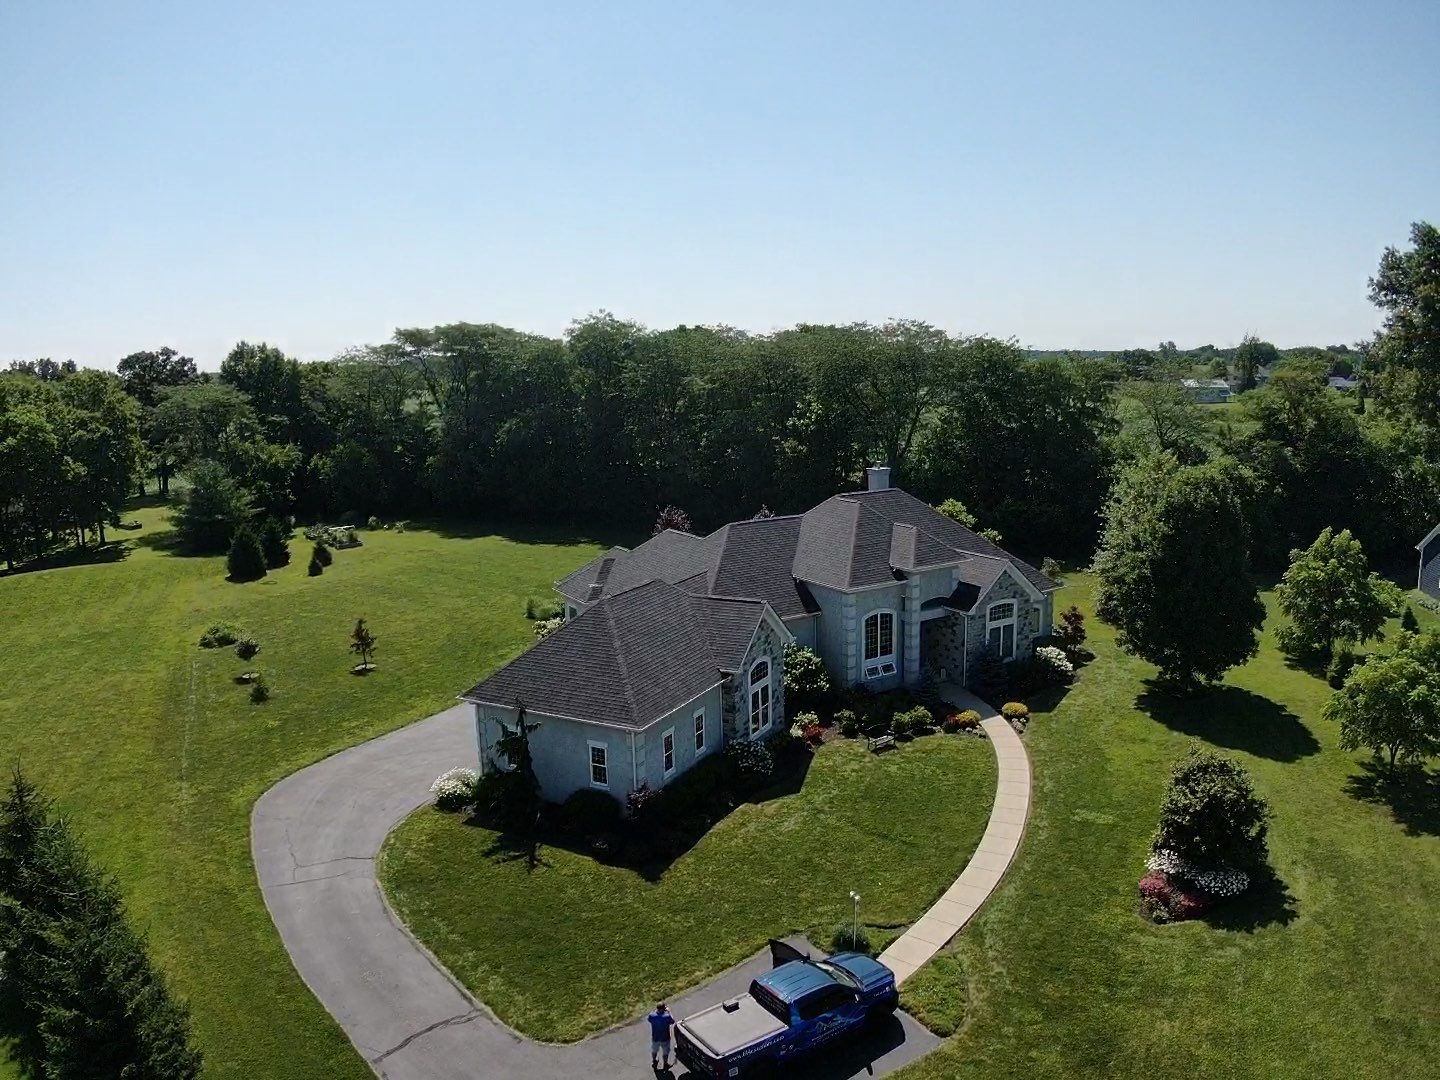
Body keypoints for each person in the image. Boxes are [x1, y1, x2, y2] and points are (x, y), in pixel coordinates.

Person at [647, 1002, 675, 1069]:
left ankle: (654, 1061)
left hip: (655, 1038)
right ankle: (665, 1064)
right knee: (665, 1052)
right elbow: (672, 1021)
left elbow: (649, 1020)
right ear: (663, 1009)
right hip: (665, 1038)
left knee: (654, 1050)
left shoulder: (651, 1015)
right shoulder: (667, 1016)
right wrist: (669, 1012)